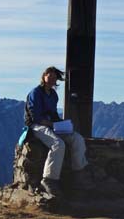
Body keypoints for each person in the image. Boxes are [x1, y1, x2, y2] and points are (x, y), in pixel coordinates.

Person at [24, 66, 88, 198]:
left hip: (52, 125)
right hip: (36, 126)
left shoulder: (53, 95)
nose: (52, 79)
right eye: (50, 76)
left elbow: (53, 114)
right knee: (58, 144)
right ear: (44, 76)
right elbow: (35, 117)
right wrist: (52, 124)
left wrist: (62, 124)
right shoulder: (35, 93)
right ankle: (48, 180)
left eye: (54, 77)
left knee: (78, 139)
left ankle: (79, 175)